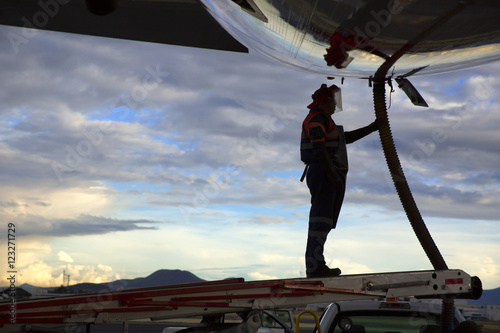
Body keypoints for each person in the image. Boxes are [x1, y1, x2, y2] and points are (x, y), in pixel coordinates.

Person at [300, 83, 378, 278]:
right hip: (322, 172)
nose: (335, 105)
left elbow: (346, 138)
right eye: (332, 101)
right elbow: (319, 149)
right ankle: (315, 267)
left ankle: (317, 264)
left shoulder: (326, 121)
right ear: (324, 101)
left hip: (327, 172)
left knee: (324, 221)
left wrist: (372, 128)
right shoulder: (317, 119)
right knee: (320, 220)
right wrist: (332, 174)